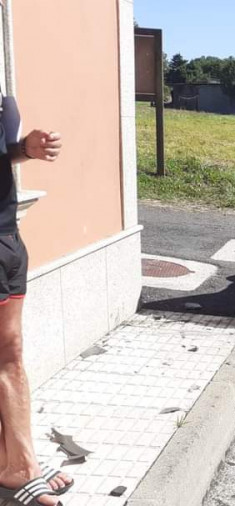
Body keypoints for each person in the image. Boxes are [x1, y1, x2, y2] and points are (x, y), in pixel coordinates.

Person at [0, 99, 67, 506]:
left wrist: (24, 148)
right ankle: (20, 468)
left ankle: (17, 463)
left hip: (6, 233)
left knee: (11, 353)